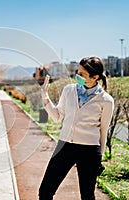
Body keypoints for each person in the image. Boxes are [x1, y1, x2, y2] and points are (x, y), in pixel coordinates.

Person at [39, 56, 114, 200]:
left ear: (95, 77)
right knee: (45, 191)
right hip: (65, 146)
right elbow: (57, 116)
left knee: (87, 196)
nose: (77, 77)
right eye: (77, 72)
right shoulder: (69, 90)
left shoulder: (106, 101)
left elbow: (103, 131)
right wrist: (45, 97)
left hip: (89, 151)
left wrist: (100, 157)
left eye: (82, 75)